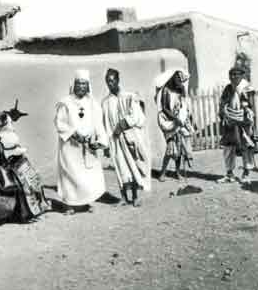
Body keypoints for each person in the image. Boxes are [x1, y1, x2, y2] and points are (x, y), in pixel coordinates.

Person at [54, 69, 108, 214]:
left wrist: (101, 140)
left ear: (88, 85)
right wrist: (74, 134)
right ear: (74, 84)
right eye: (79, 83)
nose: (81, 87)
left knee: (88, 174)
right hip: (70, 146)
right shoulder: (65, 103)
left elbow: (98, 123)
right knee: (70, 174)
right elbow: (60, 123)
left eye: (84, 84)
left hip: (87, 145)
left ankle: (87, 202)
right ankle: (69, 205)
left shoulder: (92, 103)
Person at [102, 68, 151, 207]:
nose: (110, 84)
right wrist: (106, 144)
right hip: (115, 140)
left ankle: (135, 196)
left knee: (133, 165)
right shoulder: (105, 102)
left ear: (118, 80)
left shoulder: (129, 97)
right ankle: (123, 197)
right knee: (120, 167)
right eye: (108, 81)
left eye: (112, 80)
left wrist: (122, 124)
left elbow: (137, 116)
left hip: (130, 138)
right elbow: (105, 123)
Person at [217, 66, 258, 184]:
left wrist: (252, 123)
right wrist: (223, 114)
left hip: (243, 122)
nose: (233, 77)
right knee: (228, 147)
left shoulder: (248, 88)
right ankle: (229, 174)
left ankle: (246, 174)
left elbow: (252, 107)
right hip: (229, 121)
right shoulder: (228, 88)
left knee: (246, 148)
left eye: (236, 74)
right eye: (231, 74)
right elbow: (222, 102)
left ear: (242, 75)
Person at [155, 69, 193, 182]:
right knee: (170, 147)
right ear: (172, 78)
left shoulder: (180, 89)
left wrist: (183, 118)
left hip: (179, 121)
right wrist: (175, 119)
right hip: (168, 121)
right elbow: (165, 109)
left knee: (180, 147)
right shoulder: (166, 90)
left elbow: (184, 104)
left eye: (180, 79)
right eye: (177, 79)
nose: (179, 81)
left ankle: (177, 172)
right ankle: (162, 173)